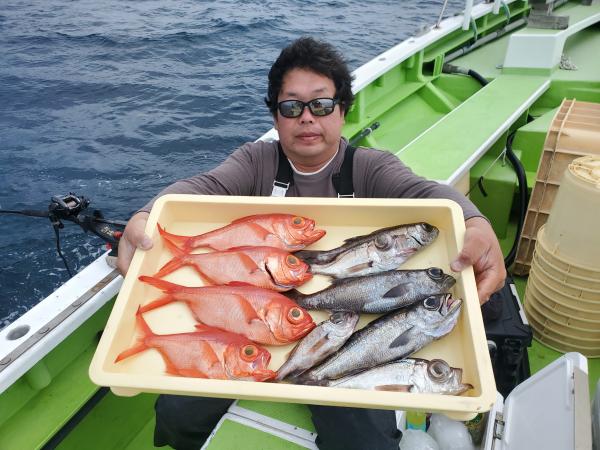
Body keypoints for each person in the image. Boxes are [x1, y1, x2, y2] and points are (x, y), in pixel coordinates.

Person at [116, 37, 506, 450]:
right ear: (276, 115)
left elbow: (428, 193)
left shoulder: (370, 168)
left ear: (342, 110)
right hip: (247, 325)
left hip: (344, 337)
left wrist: (476, 222)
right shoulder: (256, 162)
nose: (306, 117)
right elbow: (202, 188)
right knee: (177, 415)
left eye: (321, 104)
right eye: (291, 107)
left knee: (367, 443)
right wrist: (146, 215)